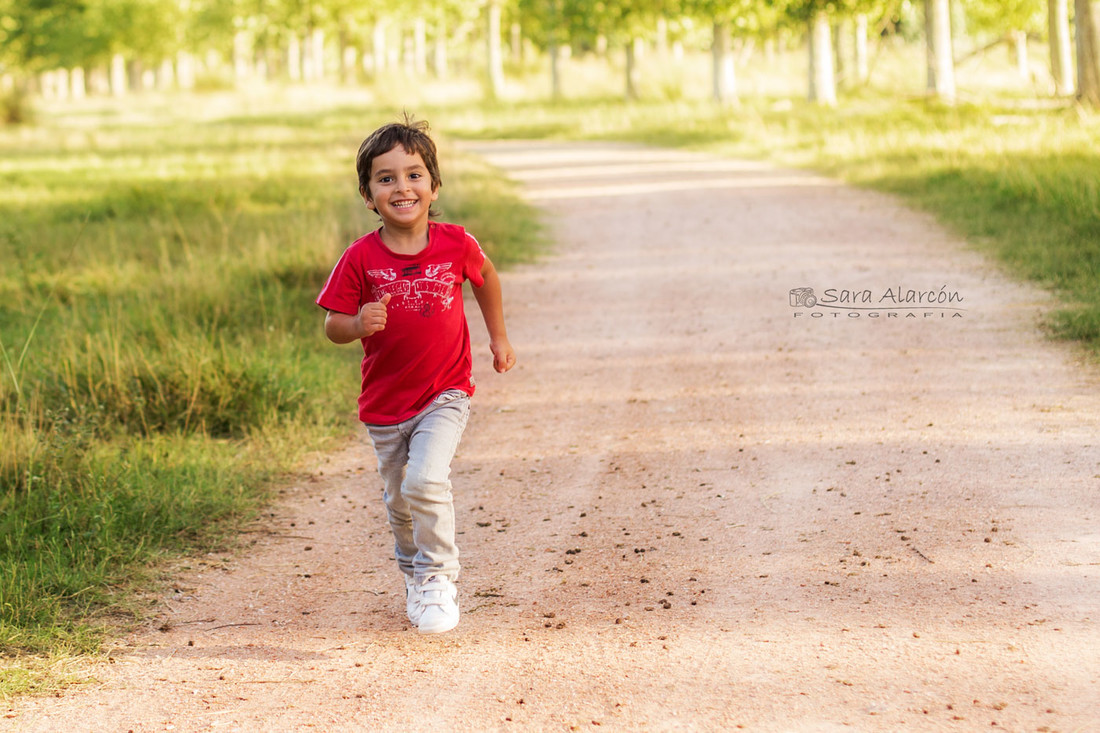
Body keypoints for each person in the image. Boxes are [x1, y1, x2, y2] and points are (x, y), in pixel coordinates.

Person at [316, 116, 516, 634]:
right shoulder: (359, 257)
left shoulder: (456, 243)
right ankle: (413, 573)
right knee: (400, 498)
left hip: (445, 392)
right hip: (385, 404)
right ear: (368, 194)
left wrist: (498, 338)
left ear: (433, 184)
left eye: (413, 175)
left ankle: (439, 578)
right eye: (386, 179)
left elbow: (487, 278)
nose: (401, 187)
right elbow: (332, 325)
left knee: (426, 479)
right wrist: (357, 323)